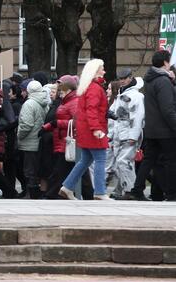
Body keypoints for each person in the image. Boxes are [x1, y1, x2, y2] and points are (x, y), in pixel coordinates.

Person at [124, 50, 176, 201]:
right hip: (165, 130)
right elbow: (167, 109)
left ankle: (137, 190)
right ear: (165, 63)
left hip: (152, 128)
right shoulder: (163, 81)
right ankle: (172, 194)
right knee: (172, 161)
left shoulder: (150, 79)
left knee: (149, 160)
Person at [59, 59, 110, 200]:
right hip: (93, 129)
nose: (104, 71)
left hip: (85, 129)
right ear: (95, 71)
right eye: (102, 68)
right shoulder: (95, 88)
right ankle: (100, 192)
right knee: (100, 159)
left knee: (85, 160)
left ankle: (67, 187)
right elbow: (91, 110)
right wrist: (96, 129)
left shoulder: (87, 87)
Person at [106, 68, 144, 199]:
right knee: (122, 163)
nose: (122, 81)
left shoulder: (135, 96)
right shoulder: (122, 94)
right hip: (120, 133)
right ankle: (128, 190)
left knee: (124, 162)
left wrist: (134, 135)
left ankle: (131, 190)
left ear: (130, 77)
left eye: (124, 78)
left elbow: (137, 117)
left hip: (128, 134)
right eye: (120, 79)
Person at [16, 80, 49, 199]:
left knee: (29, 170)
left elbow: (26, 125)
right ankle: (35, 192)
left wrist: (19, 135)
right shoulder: (45, 102)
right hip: (39, 141)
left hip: (29, 142)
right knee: (35, 169)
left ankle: (31, 194)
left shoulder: (29, 104)